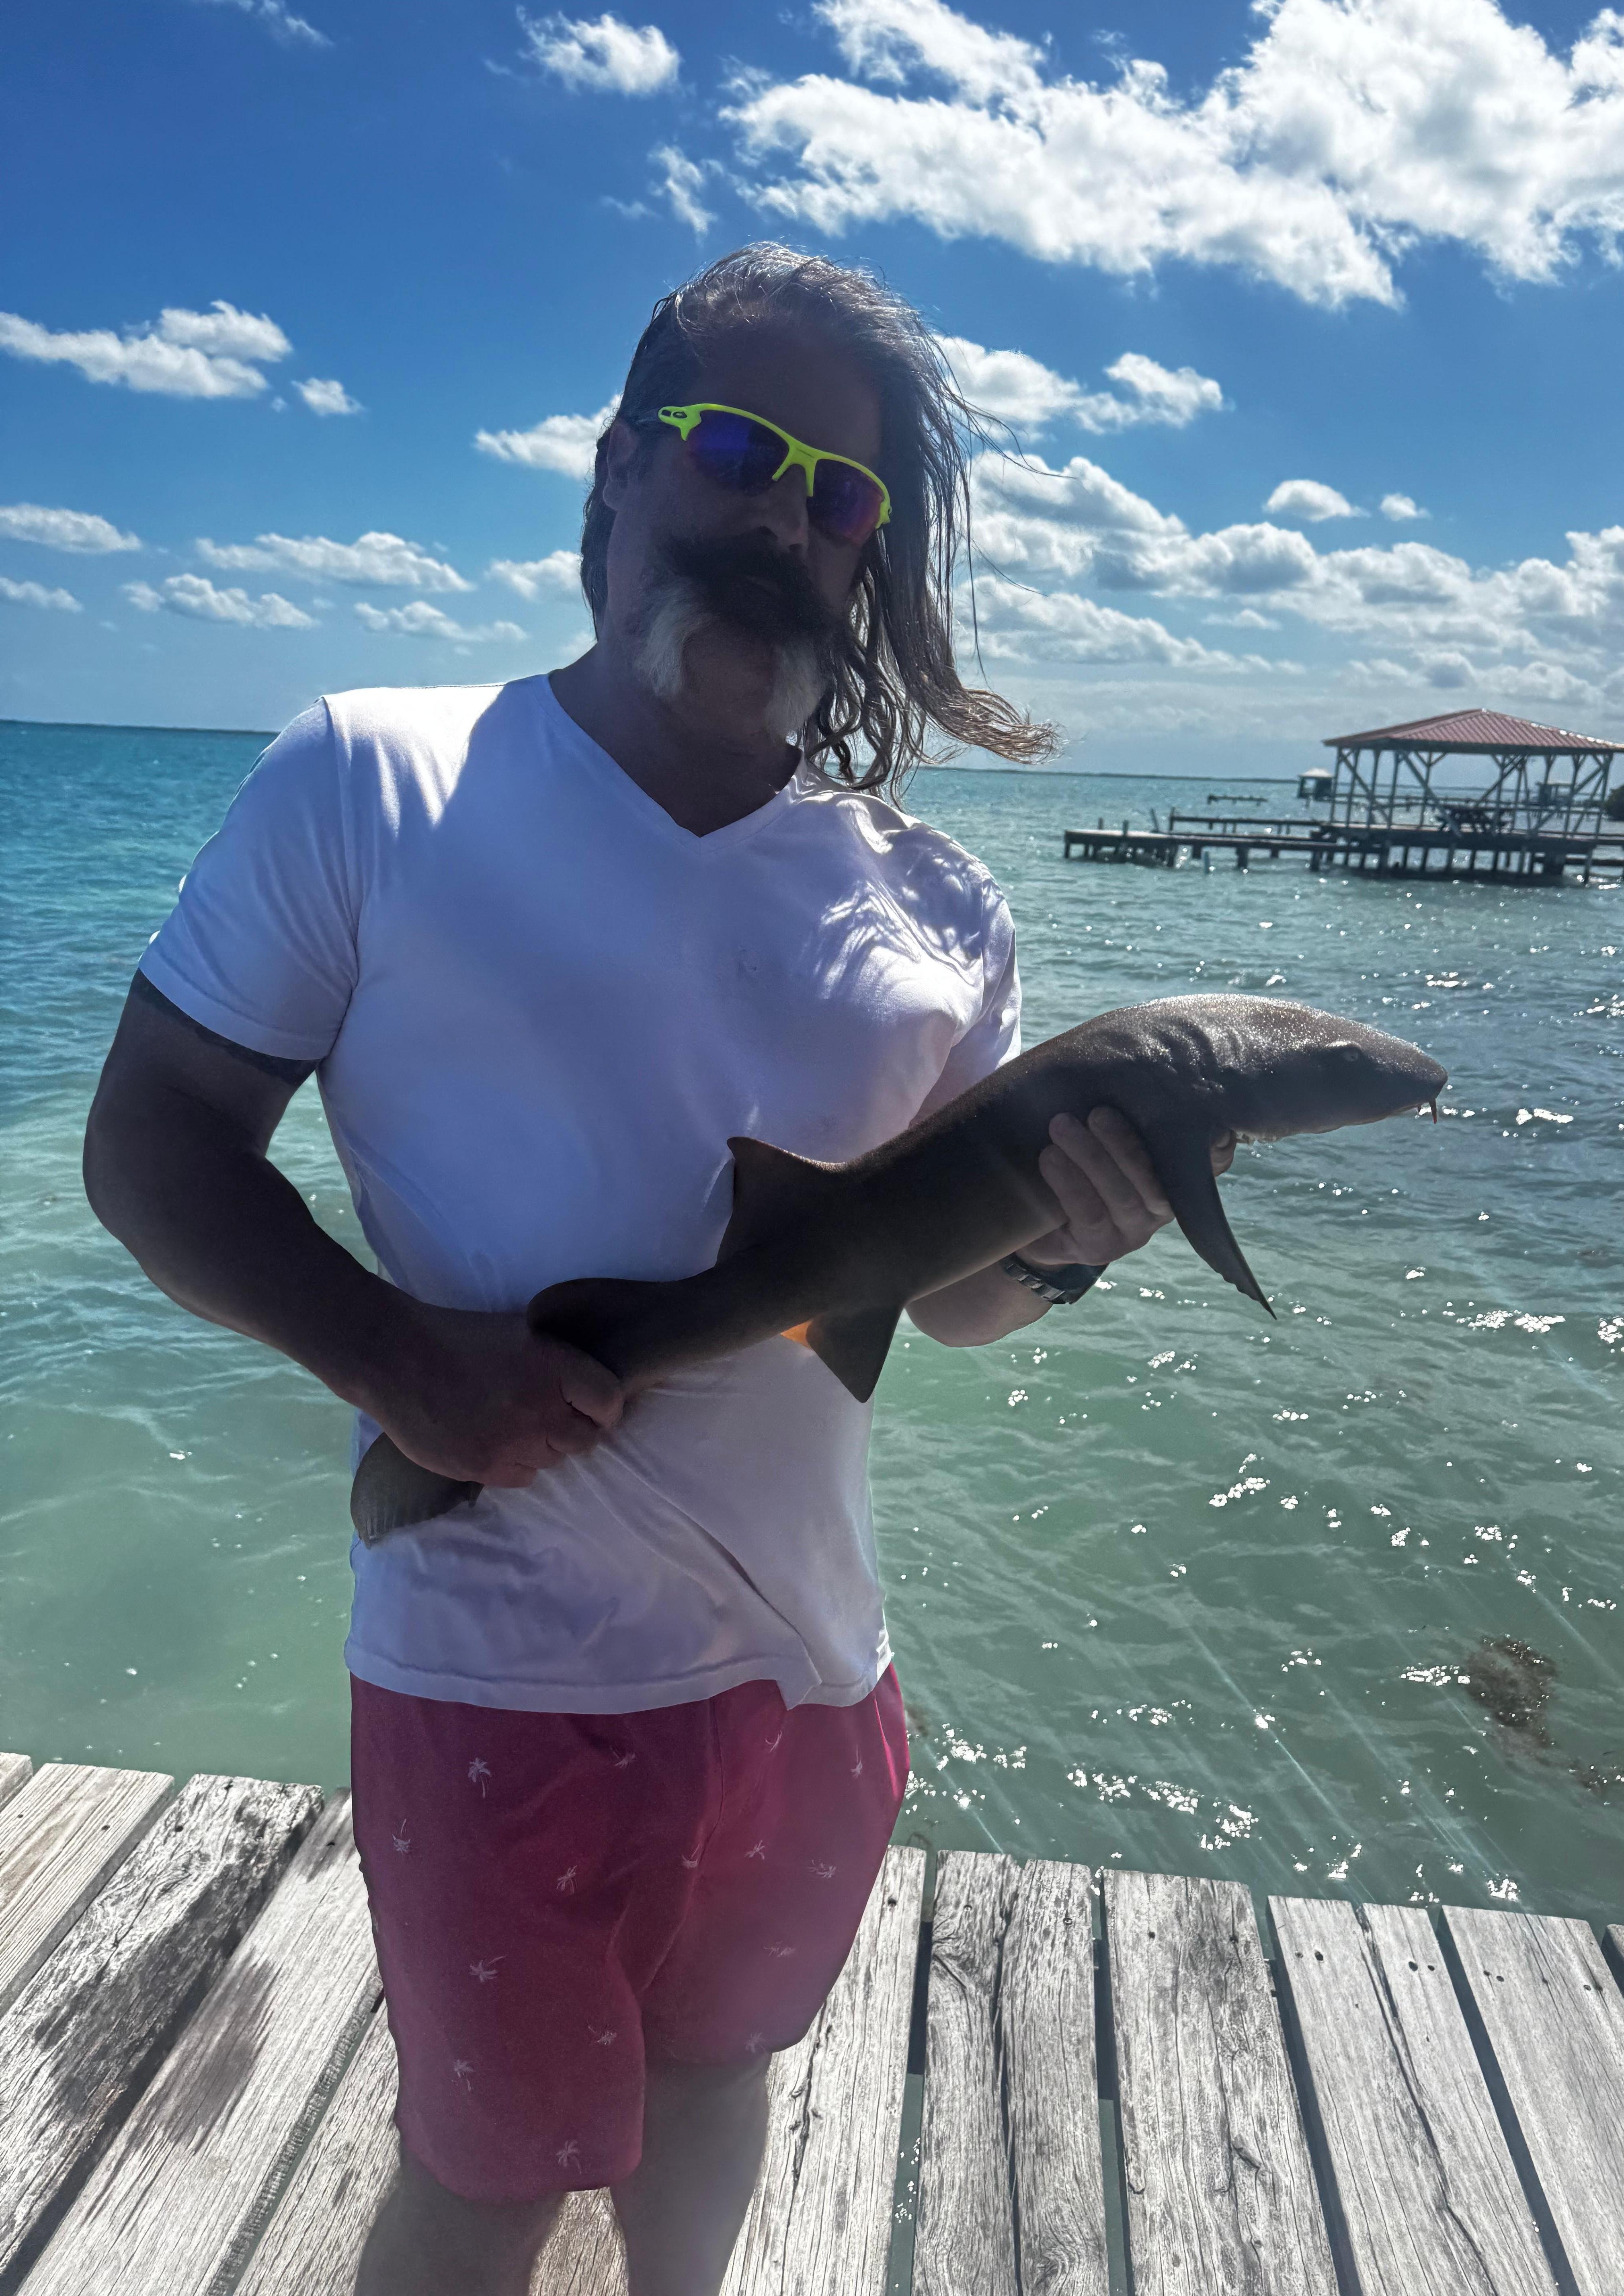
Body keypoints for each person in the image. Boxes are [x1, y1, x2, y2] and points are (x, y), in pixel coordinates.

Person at [83, 245, 1229, 2296]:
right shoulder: (373, 781)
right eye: (738, 445)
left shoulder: (936, 904)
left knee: (718, 2087)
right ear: (614, 475)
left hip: (815, 1675)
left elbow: (943, 1303)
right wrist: (392, 1359)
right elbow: (151, 1145)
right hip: (493, 1678)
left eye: (843, 490)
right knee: (495, 2176)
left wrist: (1065, 1254)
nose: (787, 508)